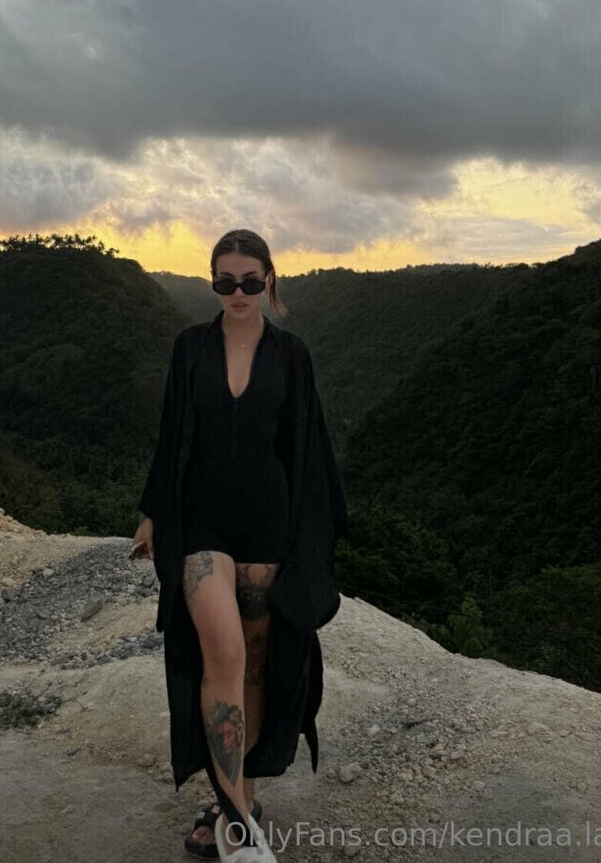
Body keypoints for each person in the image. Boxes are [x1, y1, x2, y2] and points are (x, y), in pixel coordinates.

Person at [132, 229, 347, 862]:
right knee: (221, 652)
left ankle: (240, 803)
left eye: (250, 281)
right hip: (202, 523)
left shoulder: (292, 355)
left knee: (254, 664)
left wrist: (312, 537)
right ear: (213, 282)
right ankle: (236, 820)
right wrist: (152, 512)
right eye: (225, 281)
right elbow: (172, 431)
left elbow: (306, 445)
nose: (238, 292)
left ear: (269, 280)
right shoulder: (190, 347)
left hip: (268, 525)